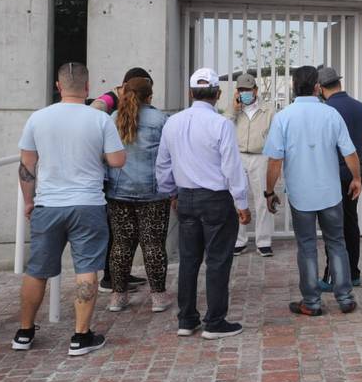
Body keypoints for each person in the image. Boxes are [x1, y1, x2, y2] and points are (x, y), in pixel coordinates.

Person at [12, 62, 126, 356]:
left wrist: (29, 201)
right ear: (87, 88)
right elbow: (117, 161)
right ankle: (80, 336)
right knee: (87, 269)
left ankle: (24, 332)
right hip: (88, 204)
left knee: (37, 270)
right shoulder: (100, 120)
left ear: (58, 86)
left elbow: (27, 166)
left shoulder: (38, 119)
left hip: (48, 204)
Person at [156, 68, 251, 340]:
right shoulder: (221, 124)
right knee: (218, 261)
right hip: (216, 200)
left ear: (190, 92)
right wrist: (241, 202)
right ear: (218, 94)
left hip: (185, 196)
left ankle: (186, 319)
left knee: (189, 260)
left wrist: (170, 193)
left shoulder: (172, 122)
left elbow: (163, 164)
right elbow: (232, 168)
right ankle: (215, 321)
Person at [264, 66, 361, 316]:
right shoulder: (331, 115)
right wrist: (357, 178)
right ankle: (345, 297)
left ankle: (312, 302)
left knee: (307, 246)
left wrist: (268, 191)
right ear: (318, 87)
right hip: (330, 193)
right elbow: (349, 152)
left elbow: (275, 161)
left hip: (301, 195)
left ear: (294, 87)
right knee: (337, 244)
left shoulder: (283, 117)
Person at [105, 76, 173, 314]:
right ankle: (158, 297)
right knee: (153, 244)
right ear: (149, 96)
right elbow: (168, 156)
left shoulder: (113, 118)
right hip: (152, 193)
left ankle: (118, 296)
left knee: (121, 245)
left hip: (118, 192)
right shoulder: (160, 119)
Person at [91, 66, 152, 293]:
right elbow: (92, 113)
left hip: (117, 178)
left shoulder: (127, 103)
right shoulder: (110, 99)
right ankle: (109, 277)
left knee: (122, 233)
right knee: (115, 233)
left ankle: (118, 274)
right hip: (110, 177)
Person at [319, 67, 362, 289]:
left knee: (332, 226)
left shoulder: (325, 110)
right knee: (351, 221)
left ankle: (333, 276)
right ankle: (354, 273)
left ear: (320, 88)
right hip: (355, 171)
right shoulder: (360, 107)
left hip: (333, 172)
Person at [229, 73, 278, 258]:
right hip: (239, 156)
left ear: (255, 90)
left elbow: (275, 135)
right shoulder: (233, 110)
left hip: (261, 157)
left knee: (263, 199)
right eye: (241, 90)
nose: (244, 93)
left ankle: (263, 241)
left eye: (248, 90)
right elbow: (223, 127)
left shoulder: (269, 110)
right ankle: (239, 241)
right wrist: (234, 109)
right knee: (237, 198)